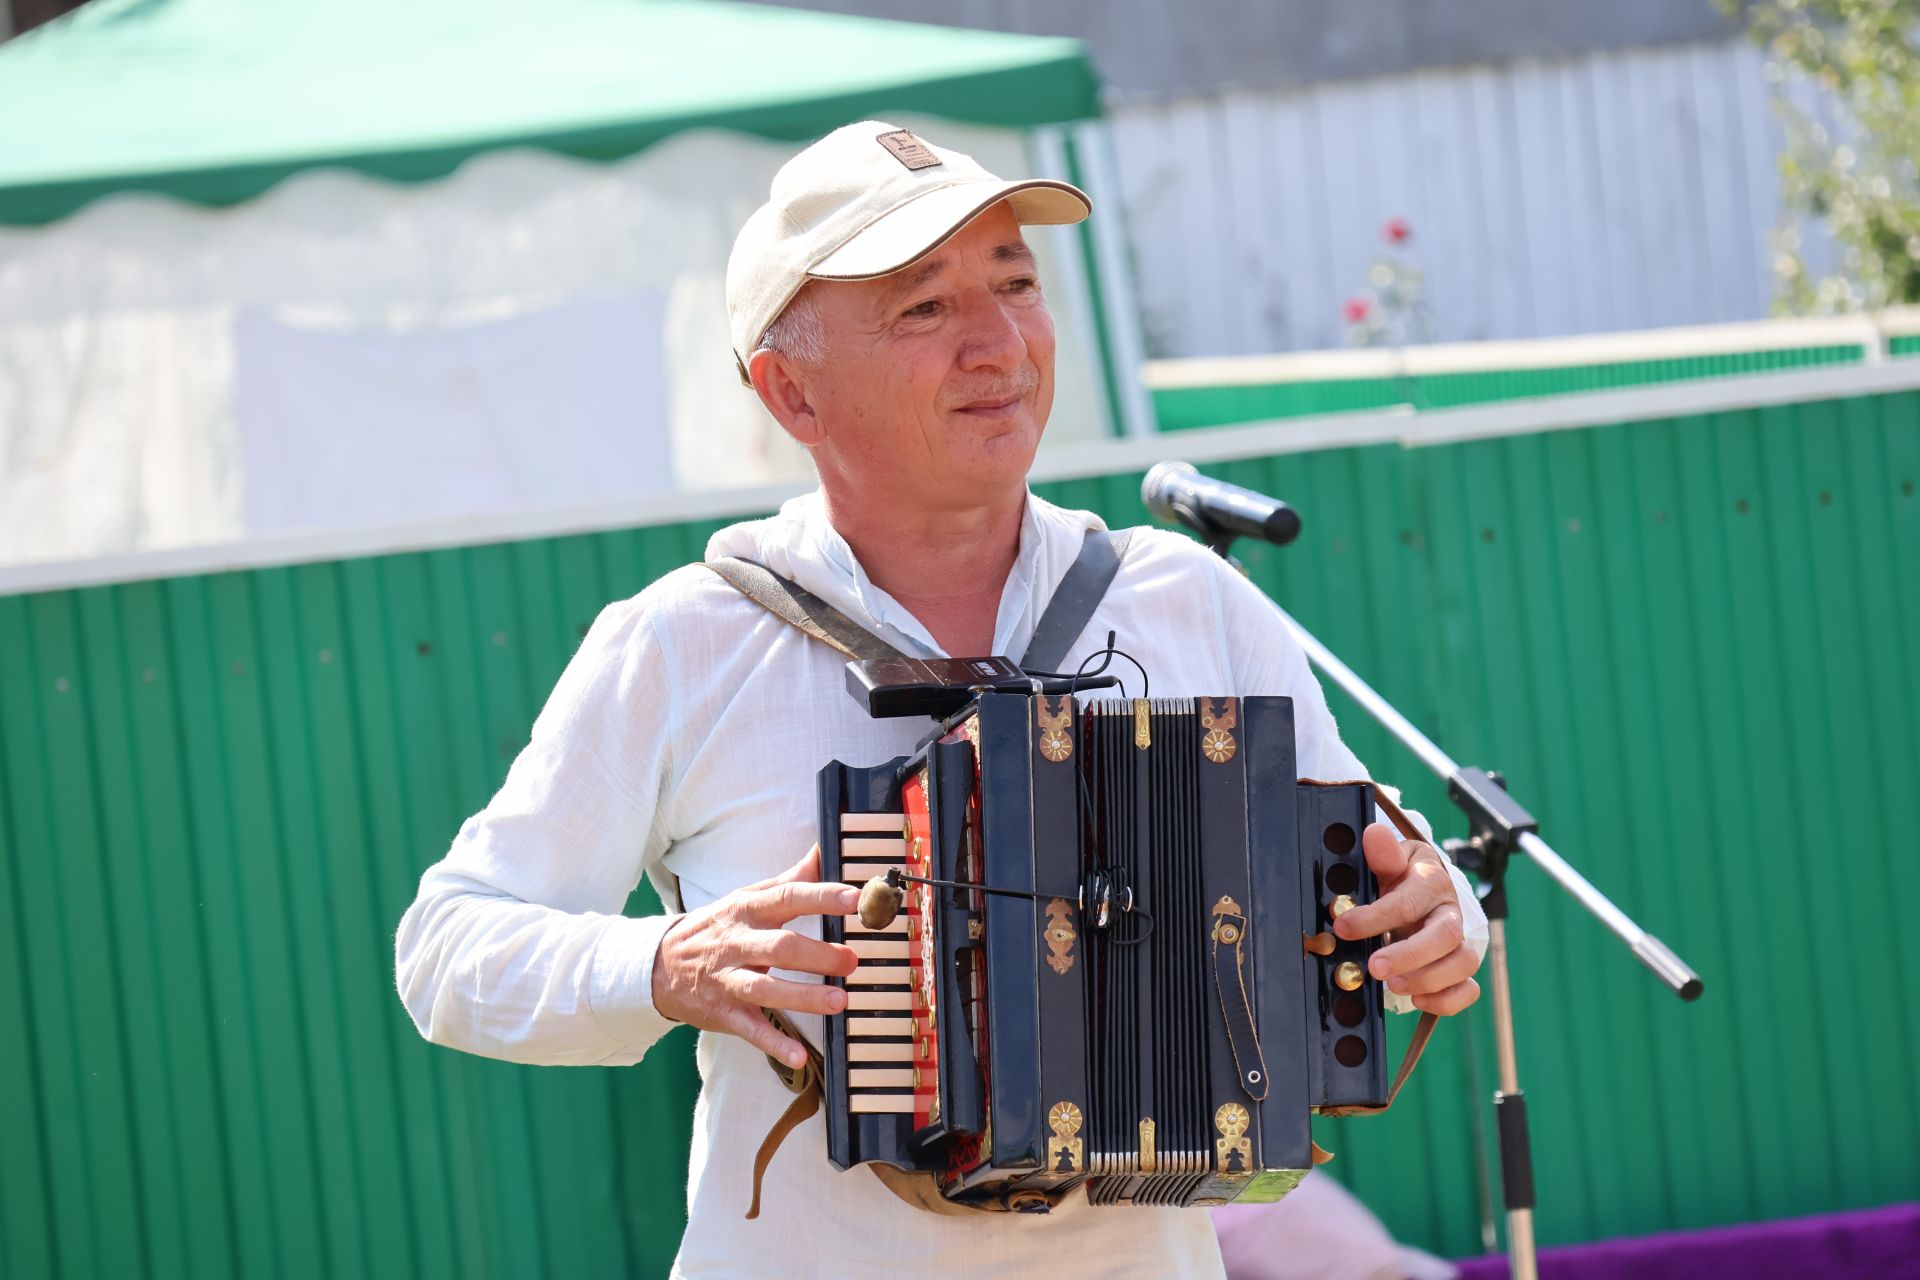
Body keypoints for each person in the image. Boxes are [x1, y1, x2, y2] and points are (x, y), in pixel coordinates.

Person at [395, 120, 1489, 1279]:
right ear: (791, 393)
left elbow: (1392, 877)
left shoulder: (1187, 598)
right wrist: (665, 964)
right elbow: (447, 944)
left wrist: (1436, 917)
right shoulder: (687, 640)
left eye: (1016, 283)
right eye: (923, 308)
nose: (998, 343)